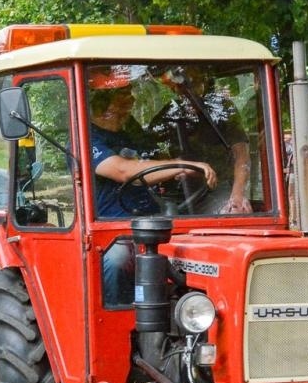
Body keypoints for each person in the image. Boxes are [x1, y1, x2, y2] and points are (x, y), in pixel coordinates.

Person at [89, 68, 216, 304]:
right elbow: (123, 170)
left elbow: (156, 157)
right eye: (124, 97)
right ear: (104, 105)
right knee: (116, 258)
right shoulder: (88, 139)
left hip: (151, 220)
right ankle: (116, 314)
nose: (132, 101)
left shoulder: (130, 134)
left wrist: (175, 167)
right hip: (112, 229)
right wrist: (179, 165)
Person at [147, 65, 251, 214]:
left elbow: (241, 155)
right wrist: (171, 165)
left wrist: (237, 195)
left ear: (204, 80)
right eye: (180, 86)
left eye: (192, 83)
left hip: (214, 187)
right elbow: (149, 149)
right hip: (175, 191)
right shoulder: (169, 113)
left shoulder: (222, 110)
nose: (185, 90)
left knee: (233, 212)